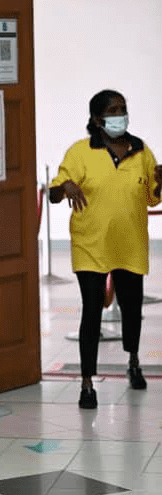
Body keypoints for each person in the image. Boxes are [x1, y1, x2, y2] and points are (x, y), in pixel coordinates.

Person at [49, 89, 161, 409]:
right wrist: (64, 187)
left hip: (130, 244)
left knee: (131, 306)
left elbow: (153, 197)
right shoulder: (80, 152)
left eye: (123, 109)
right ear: (98, 119)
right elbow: (56, 193)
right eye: (113, 110)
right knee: (92, 309)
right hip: (91, 245)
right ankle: (87, 383)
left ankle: (134, 361)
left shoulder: (141, 151)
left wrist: (161, 182)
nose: (120, 115)